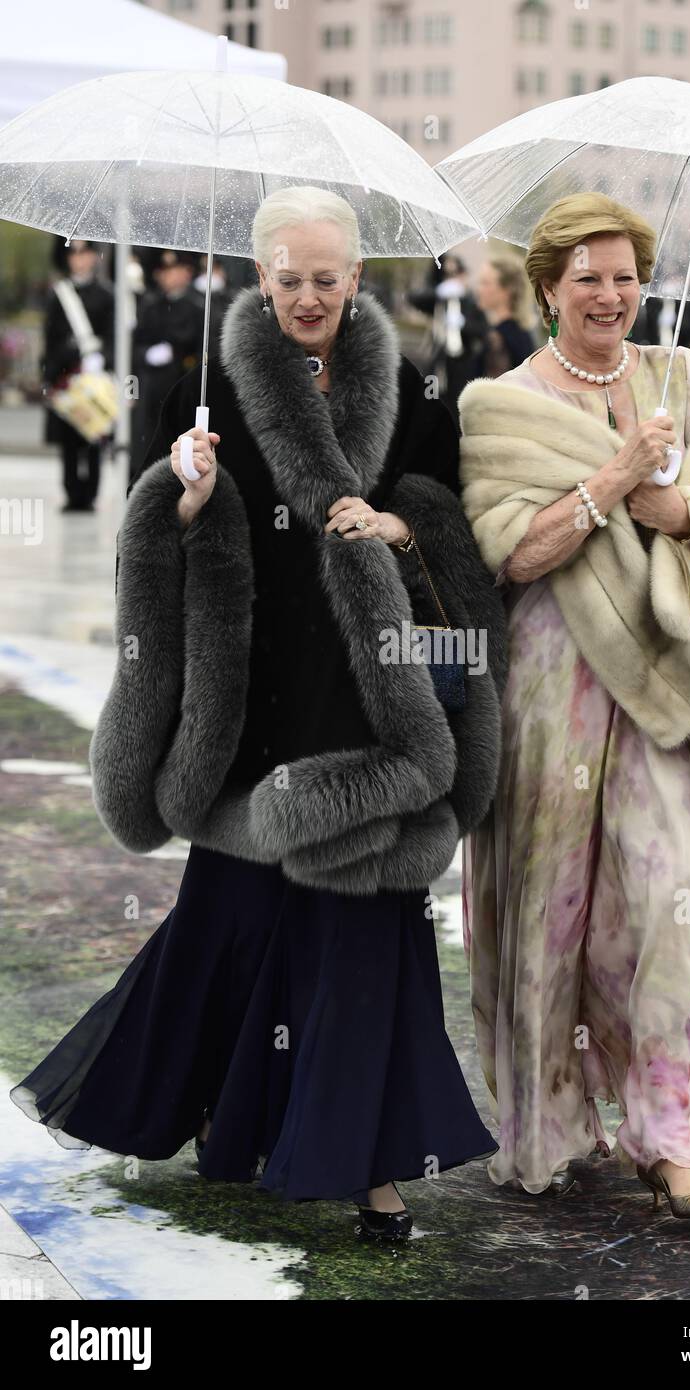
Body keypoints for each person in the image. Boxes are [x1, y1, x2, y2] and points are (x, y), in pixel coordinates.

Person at [11, 187, 507, 1242]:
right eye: (289, 280)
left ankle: (376, 1168)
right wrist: (180, 492)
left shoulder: (417, 384)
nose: (309, 297)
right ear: (260, 274)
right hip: (251, 690)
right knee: (231, 920)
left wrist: (397, 524)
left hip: (368, 690)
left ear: (358, 280)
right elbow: (149, 528)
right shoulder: (205, 380)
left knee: (369, 918)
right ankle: (225, 1122)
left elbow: (445, 520)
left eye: (328, 280)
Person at [458, 193, 690, 1218]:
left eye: (623, 277)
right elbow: (511, 552)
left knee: (665, 905)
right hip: (549, 690)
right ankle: (552, 1126)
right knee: (548, 912)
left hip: (666, 684)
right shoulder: (497, 403)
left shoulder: (684, 381)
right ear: (547, 289)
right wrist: (613, 477)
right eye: (587, 278)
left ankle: (669, 1141)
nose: (608, 295)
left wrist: (682, 506)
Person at [42, 238, 115, 513]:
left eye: (84, 253)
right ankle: (72, 492)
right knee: (68, 439)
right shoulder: (58, 295)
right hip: (66, 376)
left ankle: (91, 493)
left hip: (95, 376)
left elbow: (112, 334)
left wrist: (103, 358)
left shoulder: (106, 294)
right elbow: (50, 339)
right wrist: (51, 376)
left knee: (94, 436)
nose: (79, 259)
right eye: (73, 254)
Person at [130, 249, 205, 481]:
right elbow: (135, 345)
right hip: (151, 392)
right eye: (165, 271)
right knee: (145, 449)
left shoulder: (198, 307)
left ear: (187, 272)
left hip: (181, 389)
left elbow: (201, 349)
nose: (169, 276)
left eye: (175, 270)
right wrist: (146, 355)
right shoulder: (151, 305)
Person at [408, 254, 488, 420]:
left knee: (457, 413)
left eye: (456, 273)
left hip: (463, 366)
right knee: (430, 406)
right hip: (437, 365)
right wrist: (439, 291)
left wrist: (463, 324)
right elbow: (414, 298)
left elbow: (483, 330)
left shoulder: (472, 302)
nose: (452, 279)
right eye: (448, 275)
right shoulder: (440, 300)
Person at [473, 254, 538, 378]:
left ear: (507, 290)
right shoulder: (521, 332)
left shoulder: (497, 339)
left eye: (485, 283)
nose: (478, 289)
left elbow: (495, 391)